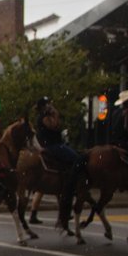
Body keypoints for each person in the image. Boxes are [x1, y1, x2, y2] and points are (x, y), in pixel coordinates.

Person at [33, 97, 85, 233]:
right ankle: (72, 181)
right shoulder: (44, 117)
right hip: (52, 146)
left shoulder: (45, 116)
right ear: (44, 106)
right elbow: (55, 126)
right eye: (48, 104)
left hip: (56, 144)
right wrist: (55, 114)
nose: (51, 105)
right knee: (77, 159)